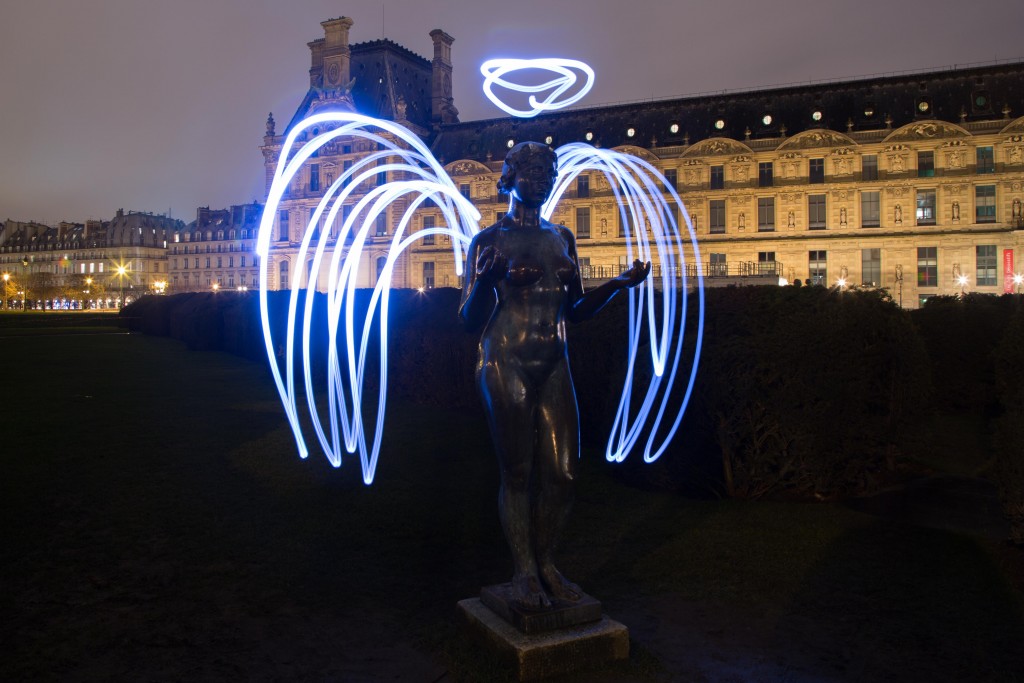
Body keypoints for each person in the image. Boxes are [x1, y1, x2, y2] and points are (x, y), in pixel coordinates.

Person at [459, 142, 650, 609]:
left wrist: (619, 285)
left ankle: (545, 562)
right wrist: (485, 280)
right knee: (518, 471)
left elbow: (578, 309)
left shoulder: (562, 237)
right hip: (504, 359)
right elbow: (468, 319)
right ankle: (525, 570)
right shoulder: (488, 242)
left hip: (554, 362)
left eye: (549, 171)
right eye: (533, 170)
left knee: (564, 473)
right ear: (510, 175)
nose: (543, 178)